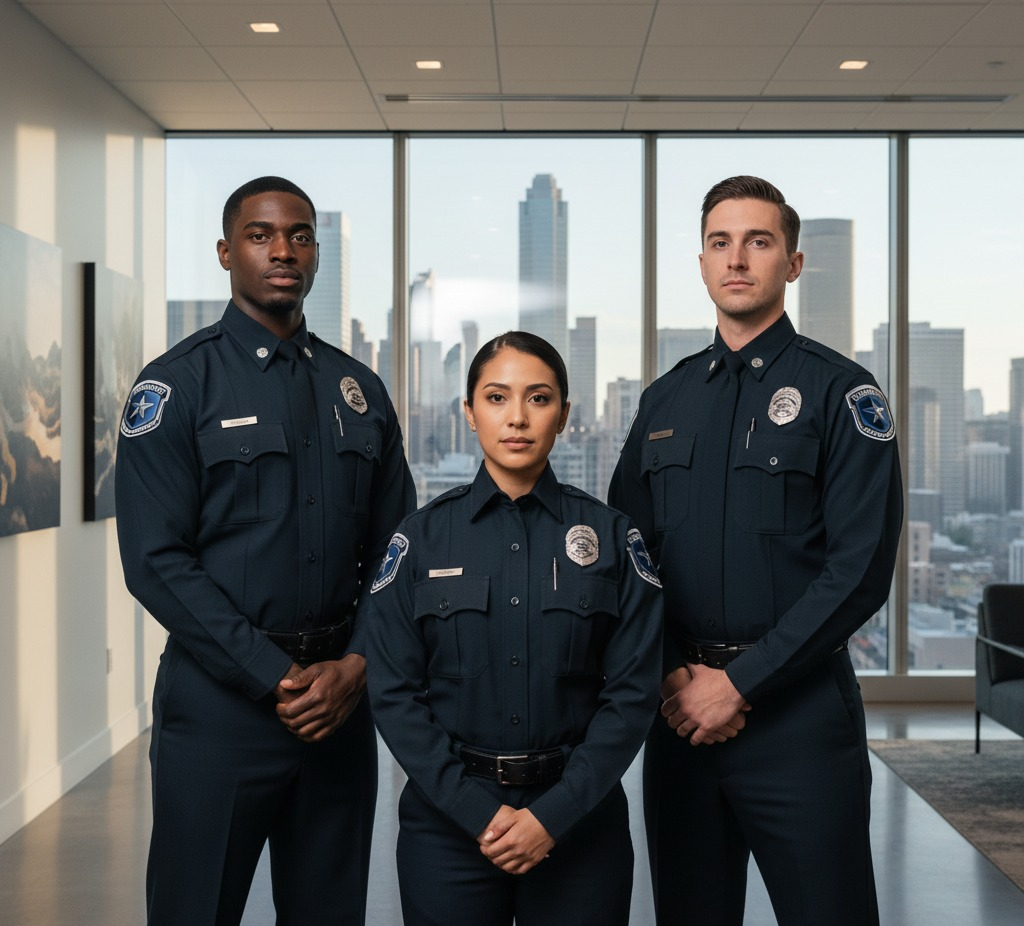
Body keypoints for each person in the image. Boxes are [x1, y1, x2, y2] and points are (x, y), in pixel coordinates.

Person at [115, 175, 416, 924]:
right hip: (220, 712)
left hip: (338, 710)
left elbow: (397, 554)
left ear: (316, 252)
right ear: (226, 252)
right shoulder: (176, 387)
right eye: (261, 235)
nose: (283, 251)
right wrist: (277, 677)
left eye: (301, 235)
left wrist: (356, 666)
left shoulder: (358, 389)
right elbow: (155, 561)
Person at [609, 176, 903, 925]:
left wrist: (736, 685)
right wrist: (679, 676)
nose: (737, 258)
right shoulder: (666, 400)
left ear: (793, 264)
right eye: (720, 242)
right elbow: (627, 556)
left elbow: (860, 568)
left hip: (798, 722)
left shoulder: (844, 393)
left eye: (758, 241)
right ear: (703, 263)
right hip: (679, 717)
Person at [363, 332, 663, 926]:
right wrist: (474, 810)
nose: (518, 418)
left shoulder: (612, 538)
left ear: (565, 415)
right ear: (470, 413)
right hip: (447, 828)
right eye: (497, 398)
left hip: (580, 824)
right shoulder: (418, 541)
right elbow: (394, 695)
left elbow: (632, 694)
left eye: (539, 398)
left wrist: (554, 815)